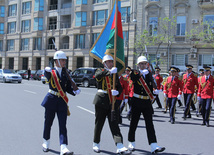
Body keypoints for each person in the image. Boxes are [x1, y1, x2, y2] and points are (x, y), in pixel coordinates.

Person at [41, 50, 80, 155]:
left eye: (65, 60)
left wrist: (74, 91)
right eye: (62, 60)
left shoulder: (65, 73)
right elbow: (46, 77)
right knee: (48, 123)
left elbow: (67, 88)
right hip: (51, 100)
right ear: (56, 61)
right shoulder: (51, 71)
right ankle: (46, 142)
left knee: (63, 125)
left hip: (62, 102)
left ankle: (63, 147)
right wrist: (46, 71)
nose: (64, 62)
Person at [92, 55, 130, 154]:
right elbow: (98, 76)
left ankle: (120, 145)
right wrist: (109, 72)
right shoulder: (100, 70)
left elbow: (120, 88)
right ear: (104, 63)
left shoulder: (115, 74)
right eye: (108, 62)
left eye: (111, 62)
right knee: (99, 123)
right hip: (101, 100)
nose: (111, 63)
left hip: (111, 101)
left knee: (114, 124)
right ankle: (96, 143)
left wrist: (117, 92)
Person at [128, 56, 165, 154]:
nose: (143, 65)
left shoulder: (149, 73)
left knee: (149, 124)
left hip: (147, 102)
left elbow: (151, 84)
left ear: (146, 64)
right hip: (136, 101)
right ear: (138, 65)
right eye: (141, 64)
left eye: (144, 63)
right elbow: (133, 79)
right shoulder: (134, 73)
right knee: (134, 123)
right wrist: (140, 74)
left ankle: (154, 145)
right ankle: (131, 142)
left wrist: (155, 91)